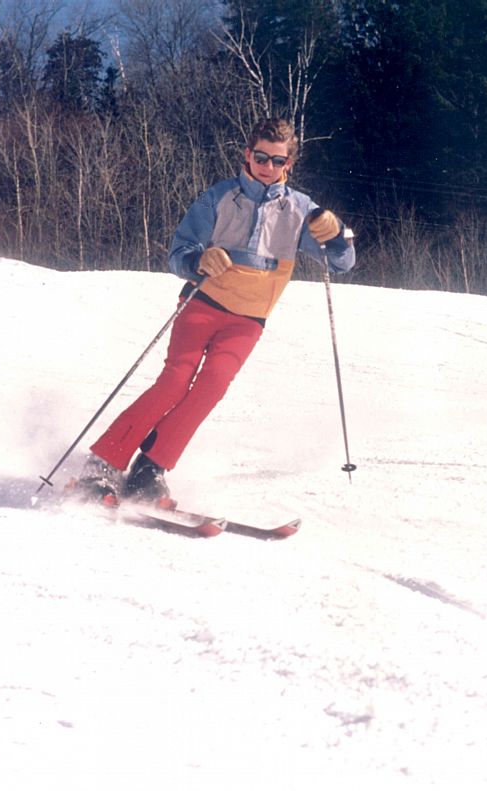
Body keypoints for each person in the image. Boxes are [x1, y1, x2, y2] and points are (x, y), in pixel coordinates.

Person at [76, 117, 356, 504]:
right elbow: (179, 254)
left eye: (278, 161)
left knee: (211, 388)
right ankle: (103, 462)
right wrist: (200, 260)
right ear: (247, 153)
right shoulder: (219, 197)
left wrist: (337, 234)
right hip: (204, 304)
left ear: (288, 164)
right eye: (261, 157)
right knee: (175, 382)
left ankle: (150, 469)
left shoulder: (300, 210)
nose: (268, 167)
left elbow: (341, 263)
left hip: (248, 321)